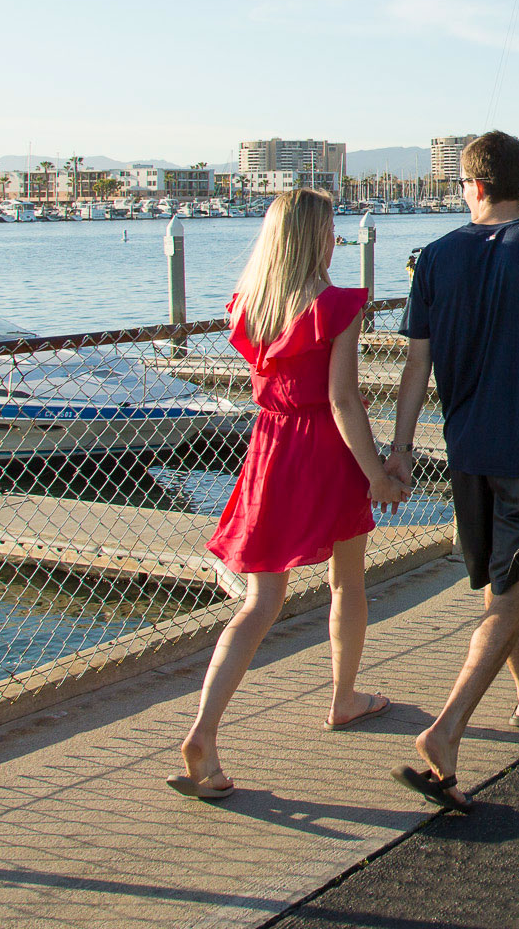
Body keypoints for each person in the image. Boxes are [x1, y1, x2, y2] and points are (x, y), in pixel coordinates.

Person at [170, 190, 408, 800]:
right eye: (331, 228)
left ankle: (204, 729)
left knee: (260, 600)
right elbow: (342, 400)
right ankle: (343, 698)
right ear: (316, 237)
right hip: (325, 451)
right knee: (346, 581)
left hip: (271, 449)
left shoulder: (249, 306)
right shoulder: (337, 306)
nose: (336, 238)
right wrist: (378, 472)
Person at [387, 131, 519, 814]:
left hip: (466, 449)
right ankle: (445, 732)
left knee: (506, 582)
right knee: (516, 586)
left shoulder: (436, 258)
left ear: (469, 185)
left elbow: (416, 365)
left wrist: (401, 447)